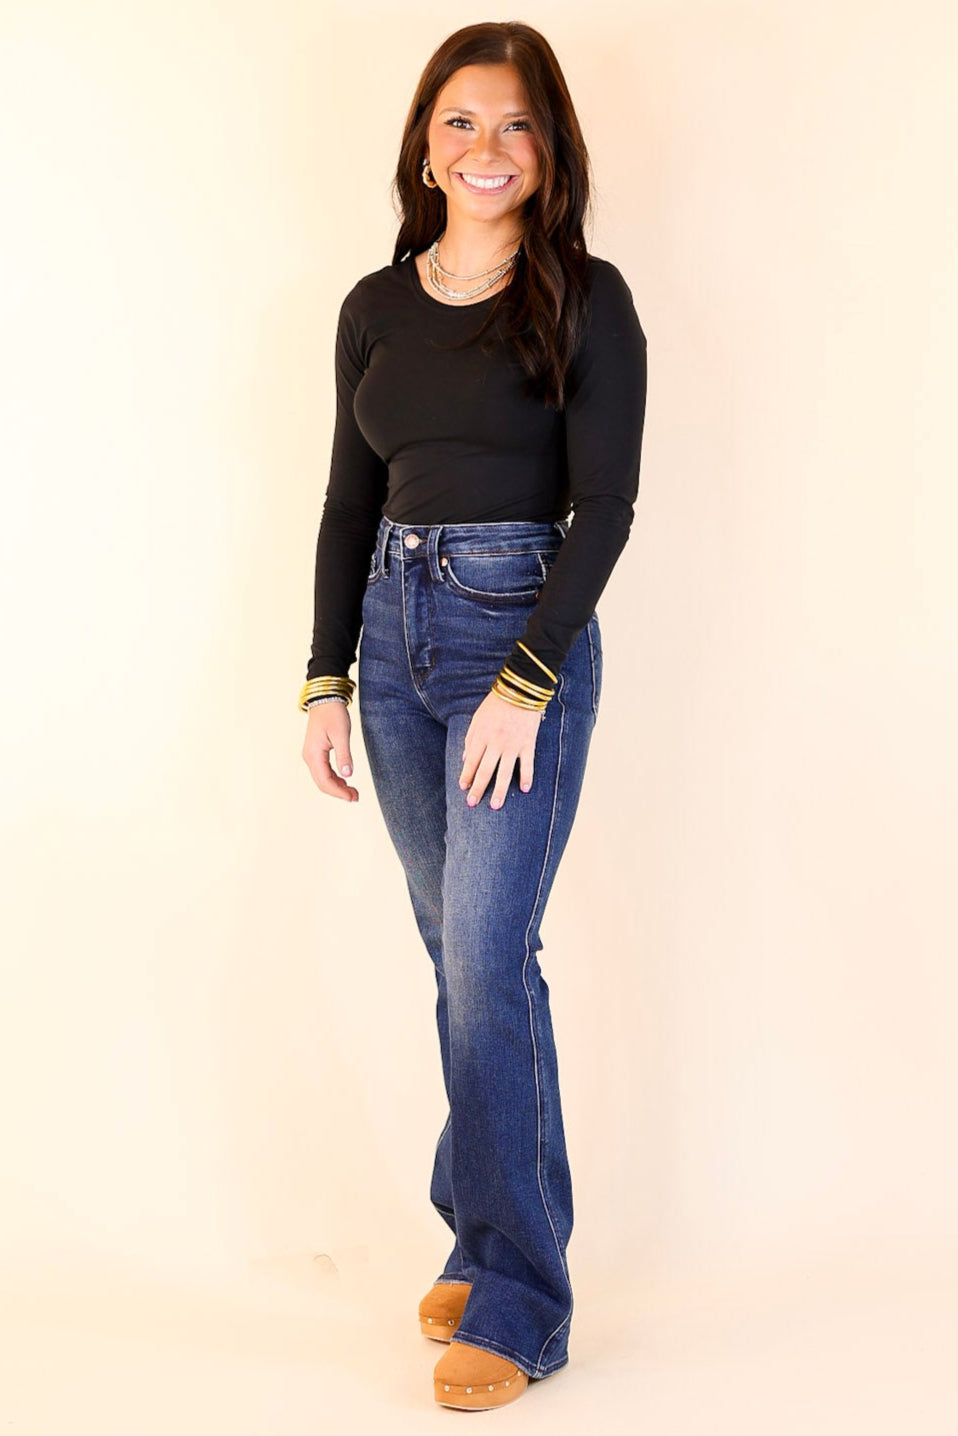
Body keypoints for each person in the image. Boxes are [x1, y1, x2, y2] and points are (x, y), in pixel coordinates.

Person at [300, 21, 647, 1412]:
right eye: (461, 121)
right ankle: (480, 1222)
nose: (486, 148)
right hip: (389, 640)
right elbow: (348, 503)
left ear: (549, 148)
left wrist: (526, 678)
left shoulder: (586, 298)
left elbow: (605, 505)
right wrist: (324, 677)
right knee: (456, 953)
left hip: (516, 631)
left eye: (515, 124)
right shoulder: (374, 306)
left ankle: (520, 1299)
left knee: (488, 960)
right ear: (424, 144)